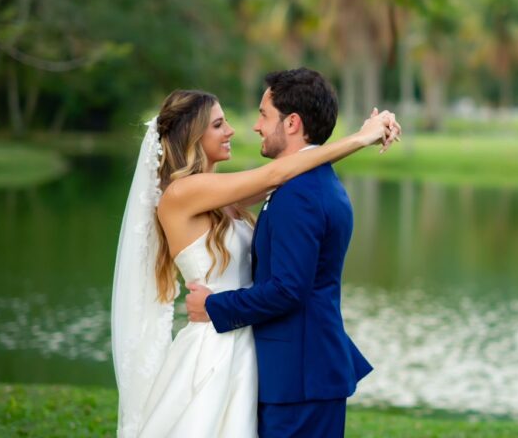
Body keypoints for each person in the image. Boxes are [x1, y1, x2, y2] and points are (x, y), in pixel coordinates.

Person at [111, 70, 400, 438]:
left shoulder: (228, 199)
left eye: (261, 116)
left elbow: (293, 172)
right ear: (193, 135)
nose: (236, 130)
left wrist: (362, 133)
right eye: (219, 124)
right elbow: (277, 175)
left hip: (250, 346)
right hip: (215, 347)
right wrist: (360, 138)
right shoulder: (182, 194)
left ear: (292, 122)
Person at [183, 68, 377, 437]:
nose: (255, 126)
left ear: (291, 123)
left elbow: (289, 289)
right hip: (300, 373)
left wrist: (213, 307)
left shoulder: (299, 194)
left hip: (299, 379)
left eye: (263, 114)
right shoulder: (310, 182)